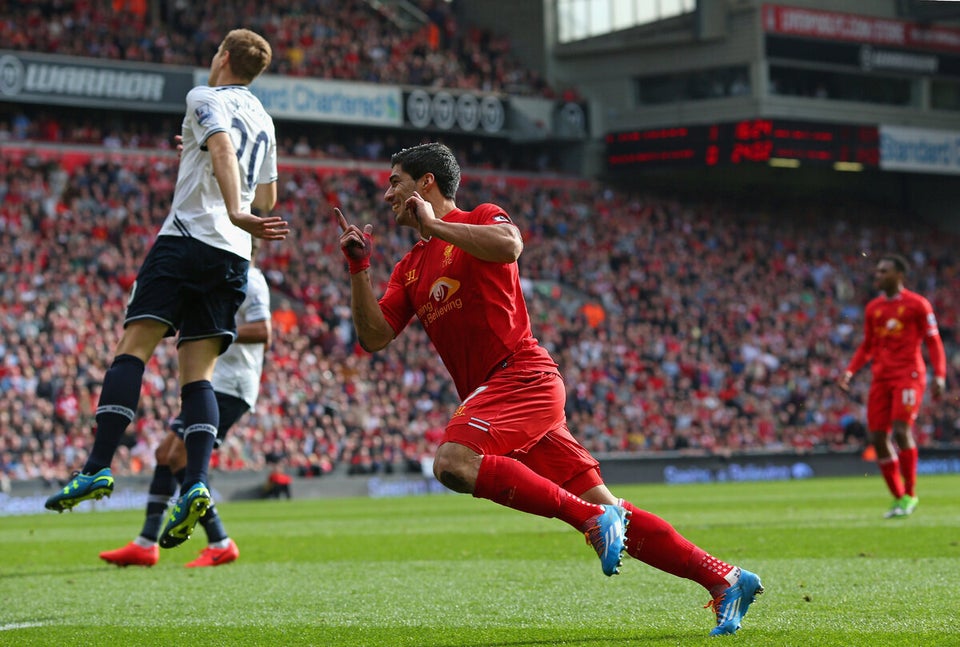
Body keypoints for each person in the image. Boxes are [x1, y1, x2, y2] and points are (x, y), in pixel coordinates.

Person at [335, 142, 763, 636]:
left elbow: (510, 246)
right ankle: (725, 578)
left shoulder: (481, 216)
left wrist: (433, 224)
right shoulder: (409, 267)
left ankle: (587, 521)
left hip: (521, 375)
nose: (386, 192)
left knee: (453, 463)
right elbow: (374, 337)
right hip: (505, 395)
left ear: (425, 182)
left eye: (395, 181)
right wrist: (358, 269)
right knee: (609, 508)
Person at [45, 28, 287, 553]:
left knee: (132, 348)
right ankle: (196, 483)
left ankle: (96, 467)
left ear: (222, 57)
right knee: (196, 374)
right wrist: (239, 206)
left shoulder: (204, 96)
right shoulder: (264, 120)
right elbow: (266, 192)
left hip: (187, 240)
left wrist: (233, 207)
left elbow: (223, 150)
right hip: (232, 257)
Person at [99, 238, 272, 567]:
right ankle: (146, 542)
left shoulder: (252, 279)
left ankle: (219, 540)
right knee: (166, 454)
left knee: (177, 455)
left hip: (232, 385)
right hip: (213, 382)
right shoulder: (226, 278)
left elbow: (265, 331)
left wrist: (217, 327)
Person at [838, 253, 946, 518]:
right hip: (881, 378)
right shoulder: (873, 308)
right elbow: (867, 346)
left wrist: (940, 375)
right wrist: (850, 371)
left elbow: (933, 341)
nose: (877, 276)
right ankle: (899, 497)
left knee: (900, 430)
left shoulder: (918, 305)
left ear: (899, 275)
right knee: (877, 437)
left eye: (883, 271)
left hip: (908, 375)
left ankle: (910, 493)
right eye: (876, 272)